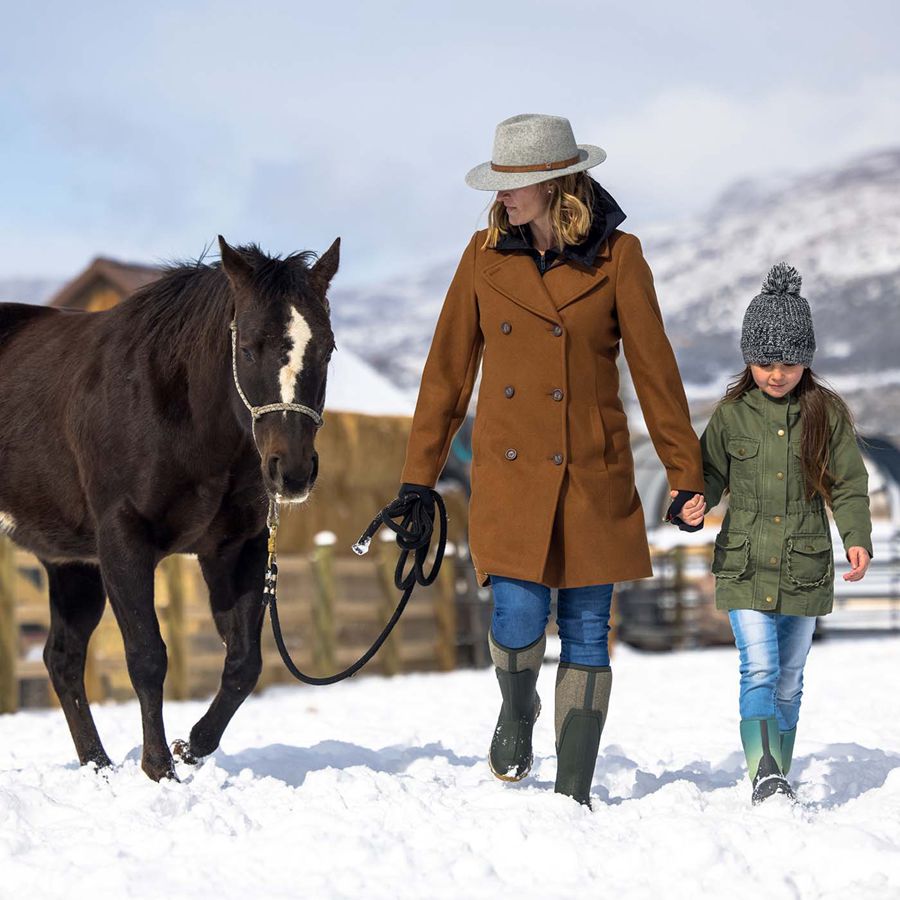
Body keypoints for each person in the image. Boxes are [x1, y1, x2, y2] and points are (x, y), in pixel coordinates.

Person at [399, 114, 703, 807]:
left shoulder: (619, 257)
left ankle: (572, 790)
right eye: (500, 185)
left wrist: (685, 473)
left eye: (517, 185)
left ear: (555, 183)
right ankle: (517, 707)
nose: (503, 196)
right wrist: (418, 480)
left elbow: (657, 374)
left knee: (589, 628)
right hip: (510, 476)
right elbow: (445, 377)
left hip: (592, 472)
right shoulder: (482, 257)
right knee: (515, 616)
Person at [677, 263, 873, 804]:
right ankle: (764, 771)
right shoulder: (731, 415)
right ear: (748, 359)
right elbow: (709, 475)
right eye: (765, 362)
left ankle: (775, 772)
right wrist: (694, 503)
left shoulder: (825, 414)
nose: (776, 374)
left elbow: (849, 484)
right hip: (744, 564)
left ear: (805, 360)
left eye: (788, 362)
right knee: (759, 666)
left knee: (789, 676)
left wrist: (856, 536)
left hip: (804, 566)